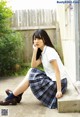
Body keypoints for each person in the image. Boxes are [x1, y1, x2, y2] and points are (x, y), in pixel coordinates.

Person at [0, 29, 68, 109]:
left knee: (32, 74)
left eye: (39, 39)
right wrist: (35, 50)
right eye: (35, 39)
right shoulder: (43, 52)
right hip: (53, 80)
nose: (36, 41)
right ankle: (16, 95)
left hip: (58, 83)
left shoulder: (49, 51)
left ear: (44, 39)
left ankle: (13, 97)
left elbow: (57, 71)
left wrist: (59, 91)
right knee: (31, 71)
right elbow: (33, 65)